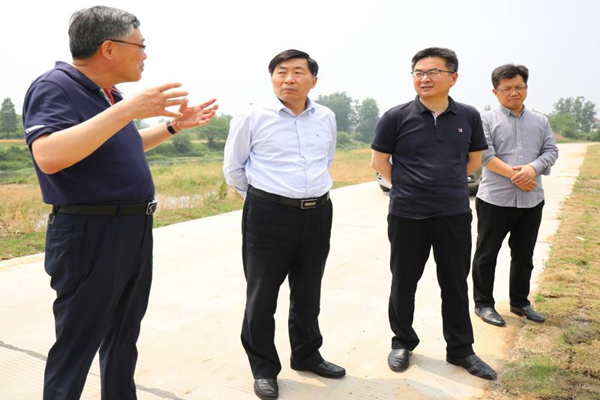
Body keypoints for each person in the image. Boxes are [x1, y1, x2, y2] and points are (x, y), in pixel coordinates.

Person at [22, 6, 217, 399]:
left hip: (132, 228)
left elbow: (122, 145)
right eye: (140, 46)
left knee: (123, 337)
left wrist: (173, 126)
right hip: (90, 231)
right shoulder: (55, 86)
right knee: (78, 343)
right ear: (108, 48)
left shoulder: (108, 95)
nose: (146, 54)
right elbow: (49, 155)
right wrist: (128, 110)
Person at [223, 49, 344, 400]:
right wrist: (266, 200)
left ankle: (307, 355)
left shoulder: (325, 116)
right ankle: (263, 368)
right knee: (262, 296)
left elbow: (326, 159)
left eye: (297, 72)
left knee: (308, 291)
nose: (289, 78)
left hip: (318, 212)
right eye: (281, 72)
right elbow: (234, 168)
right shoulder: (251, 116)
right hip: (268, 215)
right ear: (272, 77)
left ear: (313, 80)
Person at [370, 47, 497, 380]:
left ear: (453, 77)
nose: (424, 78)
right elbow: (379, 162)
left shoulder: (468, 116)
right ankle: (402, 342)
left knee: (454, 283)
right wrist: (409, 186)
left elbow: (473, 161)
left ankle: (461, 349)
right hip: (407, 215)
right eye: (418, 73)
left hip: (453, 213)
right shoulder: (395, 117)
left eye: (432, 72)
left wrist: (444, 184)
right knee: (404, 281)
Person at [472, 64, 558, 327]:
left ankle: (520, 302)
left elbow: (551, 151)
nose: (514, 92)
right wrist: (516, 175)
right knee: (486, 254)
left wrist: (533, 169)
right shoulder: (484, 119)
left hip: (532, 201)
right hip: (495, 200)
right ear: (495, 91)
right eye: (507, 88)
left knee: (524, 254)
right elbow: (484, 155)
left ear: (526, 88)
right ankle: (483, 304)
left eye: (519, 87)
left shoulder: (540, 121)